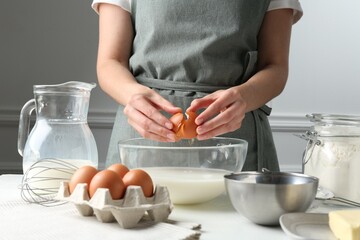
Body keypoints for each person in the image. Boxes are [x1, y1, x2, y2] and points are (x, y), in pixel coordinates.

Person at [91, 0, 303, 171]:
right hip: (142, 141)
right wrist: (133, 96)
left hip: (236, 147)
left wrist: (245, 97)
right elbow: (110, 62)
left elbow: (275, 66)